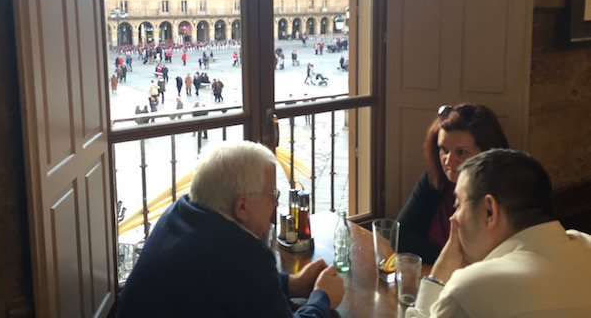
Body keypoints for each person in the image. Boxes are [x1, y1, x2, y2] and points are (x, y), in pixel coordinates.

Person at [116, 141, 344, 317]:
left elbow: (231, 289)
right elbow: (241, 277)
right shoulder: (242, 255)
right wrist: (322, 298)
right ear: (242, 206)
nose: (275, 204)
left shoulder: (179, 212)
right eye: (272, 195)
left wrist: (290, 284)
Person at [406, 149, 591, 317]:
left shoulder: (472, 289)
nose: (453, 218)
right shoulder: (586, 243)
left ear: (489, 211)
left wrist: (438, 276)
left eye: (458, 205)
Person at [397, 103, 509, 264]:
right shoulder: (435, 179)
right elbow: (401, 237)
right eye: (444, 150)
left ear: (486, 152)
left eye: (461, 152)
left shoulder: (504, 194)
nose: (448, 161)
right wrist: (450, 259)